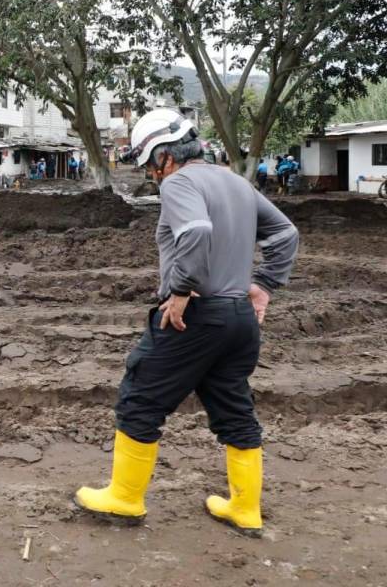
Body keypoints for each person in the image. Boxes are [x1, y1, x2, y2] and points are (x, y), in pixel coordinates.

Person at [72, 108, 299, 537]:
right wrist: (263, 285)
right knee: (234, 408)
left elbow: (195, 231)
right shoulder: (236, 182)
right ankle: (245, 508)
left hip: (192, 317)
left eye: (149, 166)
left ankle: (124, 498)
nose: (153, 176)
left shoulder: (180, 183)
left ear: (164, 156)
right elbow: (286, 234)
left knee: (140, 397)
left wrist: (179, 291)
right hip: (239, 321)